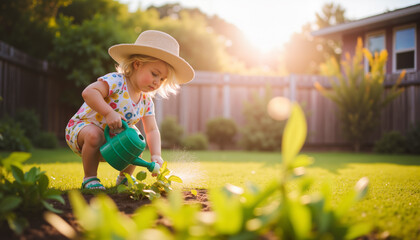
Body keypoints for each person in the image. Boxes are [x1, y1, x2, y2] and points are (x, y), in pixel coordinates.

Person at [65, 30, 195, 190]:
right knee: (94, 134)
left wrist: (156, 155)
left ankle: (125, 178)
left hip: (111, 142)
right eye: (155, 74)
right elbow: (88, 93)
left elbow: (152, 130)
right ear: (137, 64)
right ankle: (90, 179)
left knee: (136, 140)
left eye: (162, 79)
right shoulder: (116, 81)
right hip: (81, 131)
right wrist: (108, 112)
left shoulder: (146, 101)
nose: (157, 82)